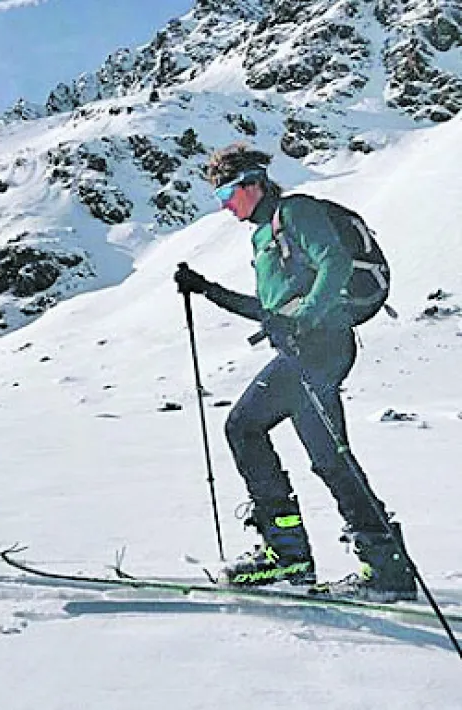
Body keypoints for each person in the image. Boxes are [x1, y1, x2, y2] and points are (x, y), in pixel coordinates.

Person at [173, 144, 416, 601]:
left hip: (319, 345)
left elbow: (335, 263)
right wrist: (207, 291)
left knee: (244, 426)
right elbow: (270, 312)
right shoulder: (264, 236)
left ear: (252, 181)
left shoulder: (295, 212)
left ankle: (289, 556)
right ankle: (383, 565)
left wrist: (304, 320)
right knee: (328, 457)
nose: (224, 203)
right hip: (310, 347)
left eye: (227, 190)